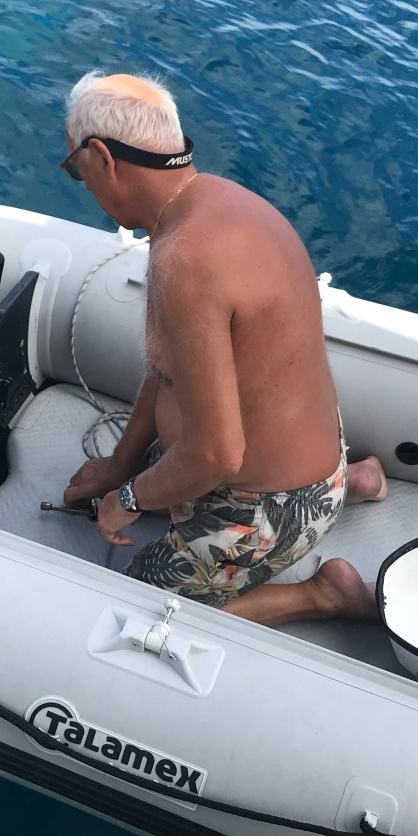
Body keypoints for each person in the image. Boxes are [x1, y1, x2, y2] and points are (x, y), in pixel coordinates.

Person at [60, 71, 386, 627]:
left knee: (136, 608)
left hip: (268, 503)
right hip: (307, 462)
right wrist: (121, 465)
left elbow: (217, 455)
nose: (83, 184)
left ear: (102, 158)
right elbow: (167, 370)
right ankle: (354, 483)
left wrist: (129, 498)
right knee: (149, 481)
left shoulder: (186, 260)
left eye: (76, 168)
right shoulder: (213, 204)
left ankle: (324, 594)